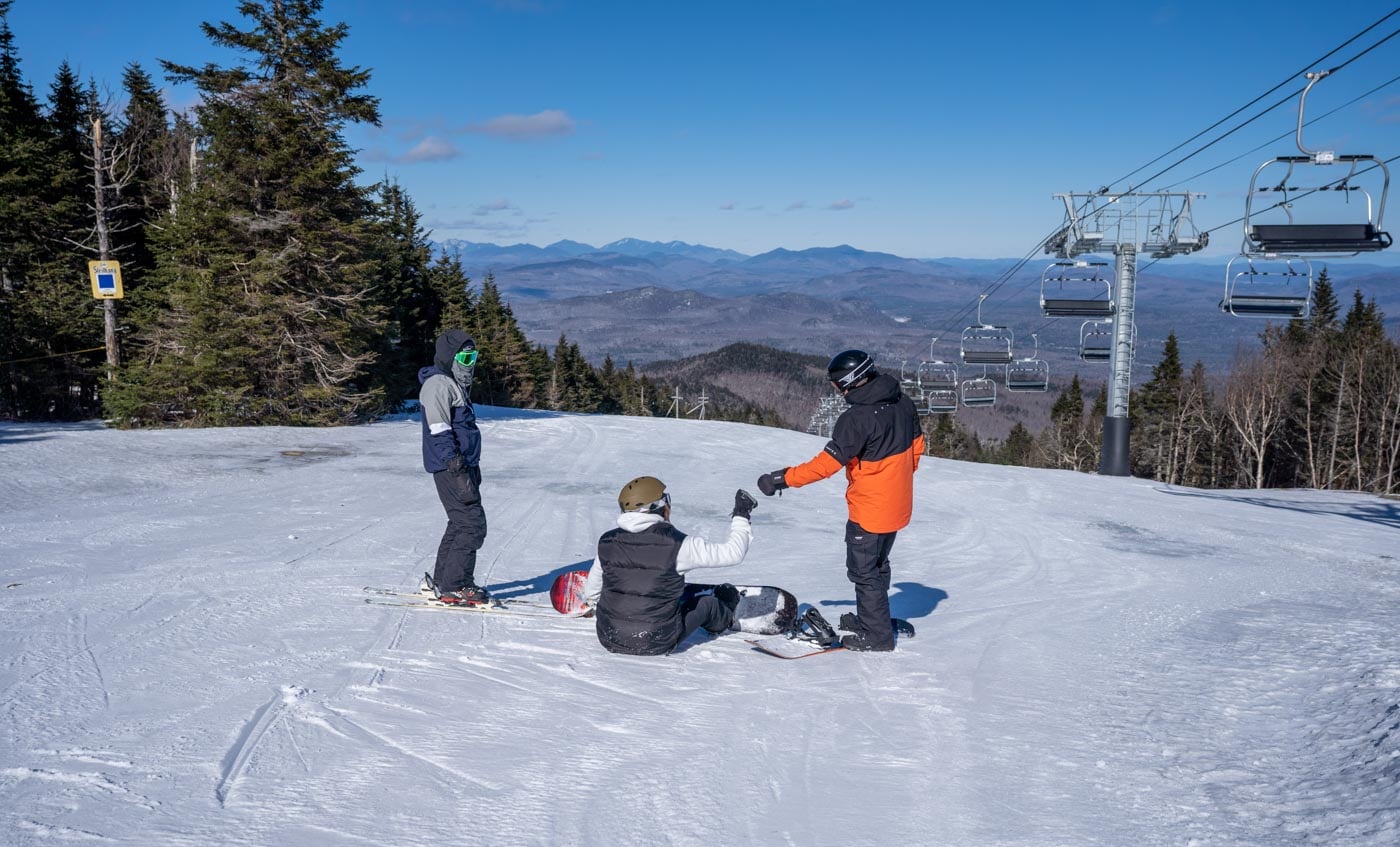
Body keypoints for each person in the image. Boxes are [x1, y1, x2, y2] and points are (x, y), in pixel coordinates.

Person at [756, 350, 923, 651]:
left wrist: (782, 479)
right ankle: (873, 620)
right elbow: (917, 449)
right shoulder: (903, 403)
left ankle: (877, 637)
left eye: (835, 383)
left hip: (870, 510)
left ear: (847, 383)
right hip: (897, 505)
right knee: (878, 565)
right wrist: (895, 480)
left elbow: (825, 466)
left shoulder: (856, 419)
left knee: (864, 571)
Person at [583, 477, 758, 655]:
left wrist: (593, 603)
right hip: (656, 640)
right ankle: (725, 617)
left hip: (608, 636)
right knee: (708, 604)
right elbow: (733, 553)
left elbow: (592, 592)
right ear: (657, 506)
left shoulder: (607, 542)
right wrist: (741, 513)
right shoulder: (678, 544)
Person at [418, 329, 489, 604]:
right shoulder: (438, 385)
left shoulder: (453, 384)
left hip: (463, 466)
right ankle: (456, 585)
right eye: (465, 356)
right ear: (451, 356)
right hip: (450, 468)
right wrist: (455, 463)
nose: (470, 363)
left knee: (459, 523)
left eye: (474, 357)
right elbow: (439, 429)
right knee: (472, 524)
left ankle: (442, 580)